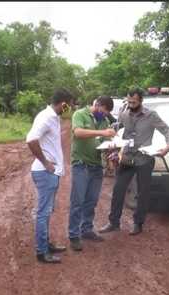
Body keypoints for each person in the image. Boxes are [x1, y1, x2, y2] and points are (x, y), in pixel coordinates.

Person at [99, 88, 169, 236]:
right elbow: (118, 129)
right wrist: (113, 143)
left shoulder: (151, 115)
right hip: (126, 158)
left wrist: (168, 145)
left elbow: (166, 129)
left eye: (134, 102)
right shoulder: (124, 114)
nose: (131, 104)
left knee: (142, 193)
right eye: (129, 101)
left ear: (141, 101)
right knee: (118, 191)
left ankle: (138, 223)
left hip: (144, 159)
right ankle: (113, 223)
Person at [26, 89, 76, 264]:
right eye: (69, 105)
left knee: (46, 212)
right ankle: (41, 251)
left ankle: (46, 245)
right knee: (43, 212)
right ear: (63, 104)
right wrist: (46, 162)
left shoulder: (53, 117)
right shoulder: (47, 117)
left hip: (50, 173)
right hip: (45, 172)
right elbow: (31, 139)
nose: (69, 109)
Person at [68, 96, 117, 251]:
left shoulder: (105, 121)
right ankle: (74, 235)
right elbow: (78, 133)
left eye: (106, 113)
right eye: (103, 111)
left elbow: (107, 141)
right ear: (96, 104)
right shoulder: (80, 114)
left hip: (96, 166)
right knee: (78, 201)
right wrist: (103, 132)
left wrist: (112, 149)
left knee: (91, 201)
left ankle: (87, 229)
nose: (104, 115)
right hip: (81, 164)